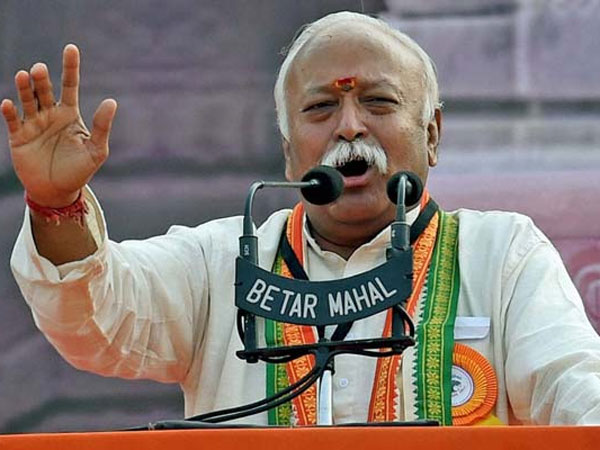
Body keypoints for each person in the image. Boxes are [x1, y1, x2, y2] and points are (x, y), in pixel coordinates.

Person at [4, 11, 600, 426]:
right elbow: (96, 321)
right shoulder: (220, 263)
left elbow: (575, 387)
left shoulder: (503, 255)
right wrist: (57, 204)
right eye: (320, 108)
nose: (350, 127)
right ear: (289, 152)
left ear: (432, 134)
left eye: (378, 101)